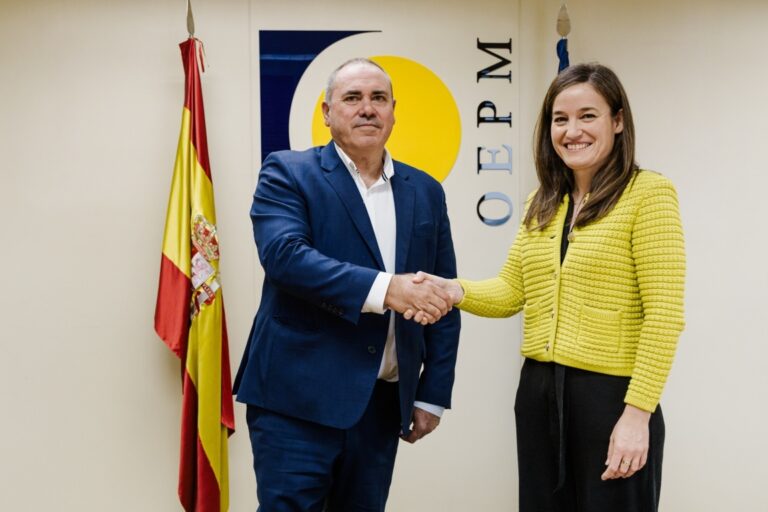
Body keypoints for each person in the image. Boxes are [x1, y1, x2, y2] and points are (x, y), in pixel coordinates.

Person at [410, 63, 685, 511]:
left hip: (611, 397)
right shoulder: (544, 203)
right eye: (561, 119)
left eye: (588, 116)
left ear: (617, 121)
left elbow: (664, 315)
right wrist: (452, 290)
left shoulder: (648, 194)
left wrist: (638, 416)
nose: (572, 130)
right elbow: (511, 291)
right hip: (538, 395)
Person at [233, 58, 461, 511]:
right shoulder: (287, 172)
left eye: (378, 98)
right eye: (352, 98)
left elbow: (442, 295)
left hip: (379, 407)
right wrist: (386, 289)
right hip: (294, 404)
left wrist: (433, 394)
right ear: (326, 112)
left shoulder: (426, 191)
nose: (367, 109)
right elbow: (285, 258)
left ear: (394, 111)